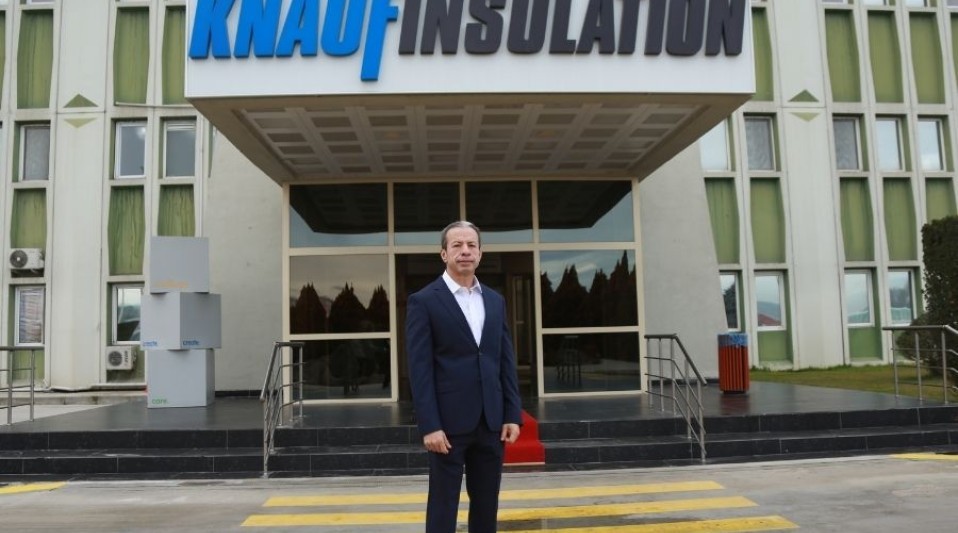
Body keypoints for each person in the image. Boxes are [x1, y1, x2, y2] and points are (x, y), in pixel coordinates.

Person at [405, 220, 523, 533]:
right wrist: (429, 425)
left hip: (491, 422)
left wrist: (512, 413)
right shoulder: (424, 301)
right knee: (443, 505)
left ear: (480, 254)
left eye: (471, 245)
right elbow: (419, 369)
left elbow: (504, 361)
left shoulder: (495, 300)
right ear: (444, 254)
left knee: (486, 504)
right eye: (457, 245)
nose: (465, 251)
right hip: (447, 425)